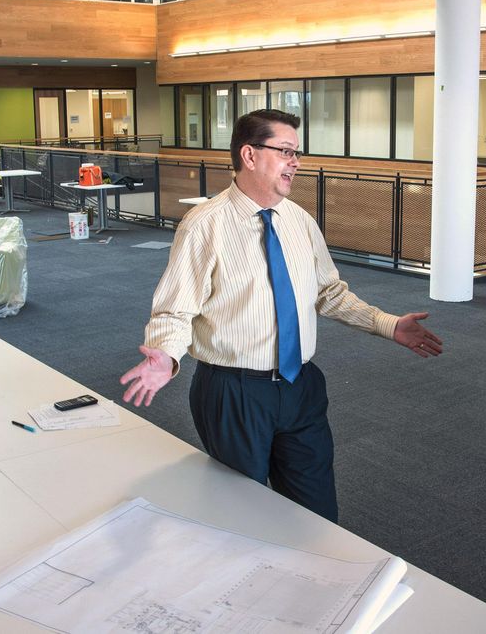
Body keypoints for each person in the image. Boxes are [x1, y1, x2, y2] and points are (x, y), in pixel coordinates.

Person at [121, 109, 442, 522]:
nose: (296, 162)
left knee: (317, 512)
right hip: (234, 393)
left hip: (300, 387)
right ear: (249, 155)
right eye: (286, 151)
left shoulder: (300, 222)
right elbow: (176, 308)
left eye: (297, 152)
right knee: (242, 514)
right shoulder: (205, 226)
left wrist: (387, 324)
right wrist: (166, 354)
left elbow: (328, 293)